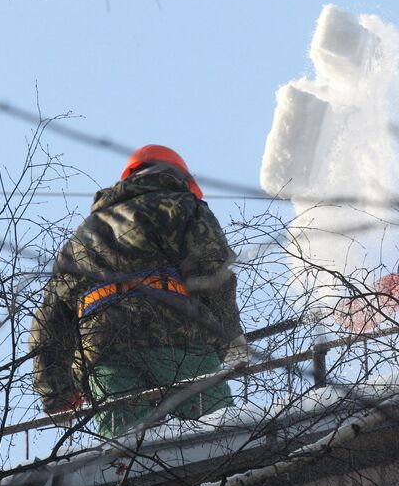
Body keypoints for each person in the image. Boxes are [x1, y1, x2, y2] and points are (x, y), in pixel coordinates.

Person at [29, 144, 247, 437]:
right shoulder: (184, 207)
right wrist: (230, 334)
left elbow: (51, 317)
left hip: (104, 352)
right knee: (221, 438)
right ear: (180, 177)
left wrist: (56, 391)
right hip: (177, 339)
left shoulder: (83, 235)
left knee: (125, 455)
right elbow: (212, 272)